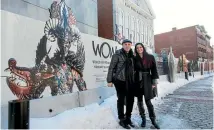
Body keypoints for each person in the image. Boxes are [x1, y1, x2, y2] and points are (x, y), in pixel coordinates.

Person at [107, 39, 135, 129]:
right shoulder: (117, 54)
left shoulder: (132, 55)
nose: (127, 46)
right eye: (125, 44)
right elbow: (111, 67)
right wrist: (109, 80)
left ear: (131, 45)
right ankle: (121, 119)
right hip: (120, 80)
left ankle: (128, 118)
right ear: (122, 45)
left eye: (129, 44)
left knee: (130, 100)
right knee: (121, 100)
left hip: (130, 80)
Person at [134, 43, 160, 129]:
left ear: (143, 48)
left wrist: (153, 83)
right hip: (137, 81)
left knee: (148, 102)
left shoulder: (150, 57)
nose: (139, 49)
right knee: (140, 101)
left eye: (140, 47)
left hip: (147, 80)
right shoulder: (134, 58)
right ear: (136, 49)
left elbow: (154, 70)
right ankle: (143, 119)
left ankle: (153, 120)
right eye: (137, 48)